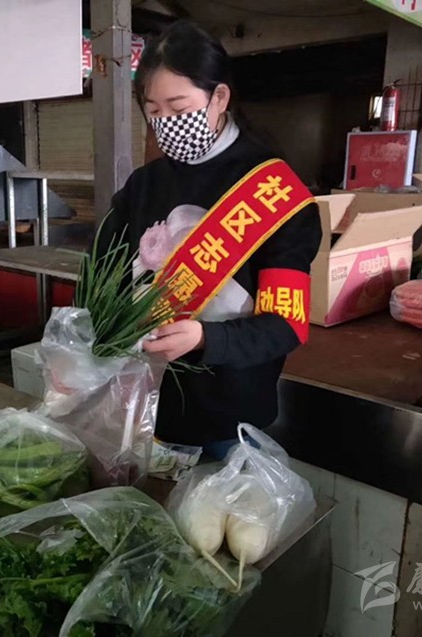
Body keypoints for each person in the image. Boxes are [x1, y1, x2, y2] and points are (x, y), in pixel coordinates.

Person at [95, 20, 322, 459]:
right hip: (140, 407)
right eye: (154, 111)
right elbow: (101, 275)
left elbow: (285, 325)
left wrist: (205, 339)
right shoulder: (143, 186)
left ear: (219, 97)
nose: (166, 123)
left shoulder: (274, 192)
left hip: (228, 420)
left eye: (178, 107)